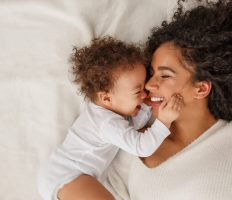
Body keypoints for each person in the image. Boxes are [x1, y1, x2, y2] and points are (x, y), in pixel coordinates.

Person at [56, 0, 232, 199]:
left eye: (165, 75)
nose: (150, 85)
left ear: (201, 88)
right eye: (151, 74)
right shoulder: (133, 133)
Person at [37, 36, 184, 200]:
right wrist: (164, 121)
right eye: (138, 92)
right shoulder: (106, 122)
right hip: (68, 175)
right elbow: (140, 146)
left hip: (64, 174)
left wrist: (146, 105)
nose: (145, 94)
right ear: (106, 98)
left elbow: (131, 127)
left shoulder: (109, 112)